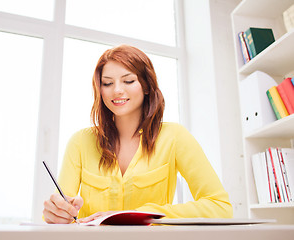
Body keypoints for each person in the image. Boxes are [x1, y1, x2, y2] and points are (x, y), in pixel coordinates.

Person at [43, 45, 233, 224]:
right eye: (107, 83)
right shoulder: (80, 142)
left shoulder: (174, 137)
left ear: (146, 85)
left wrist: (138, 215)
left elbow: (220, 207)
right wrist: (56, 214)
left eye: (128, 81)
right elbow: (62, 211)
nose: (117, 90)